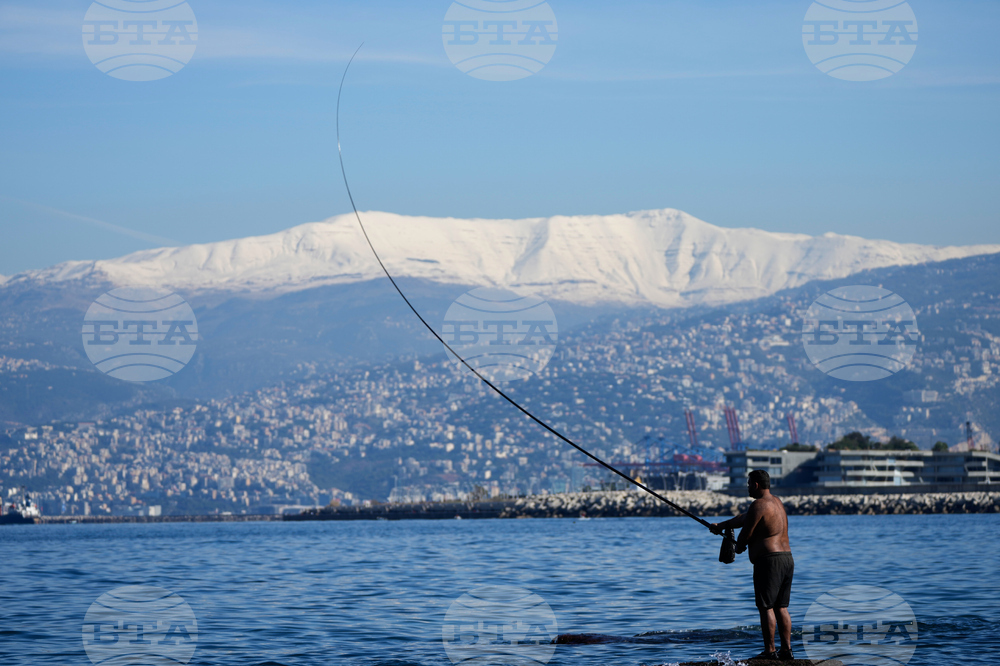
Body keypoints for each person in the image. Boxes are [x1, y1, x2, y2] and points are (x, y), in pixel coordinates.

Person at [710, 470, 794, 661]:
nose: (748, 487)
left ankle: (770, 652)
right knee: (781, 607)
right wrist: (721, 526)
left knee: (766, 607)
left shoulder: (758, 504)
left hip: (769, 561)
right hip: (787, 559)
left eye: (749, 484)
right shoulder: (776, 502)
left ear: (756, 484)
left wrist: (738, 547)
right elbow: (744, 518)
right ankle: (786, 651)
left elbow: (745, 534)